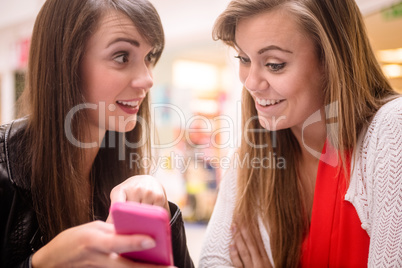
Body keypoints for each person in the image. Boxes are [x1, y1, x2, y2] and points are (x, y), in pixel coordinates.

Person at [199, 0, 402, 267]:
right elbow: (212, 261)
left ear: (331, 60)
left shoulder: (391, 128)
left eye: (274, 64)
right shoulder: (252, 160)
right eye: (244, 59)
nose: (251, 83)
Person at [0, 0, 194, 267]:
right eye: (122, 57)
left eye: (149, 57)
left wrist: (163, 215)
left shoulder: (119, 172)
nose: (148, 79)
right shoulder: (5, 170)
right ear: (65, 62)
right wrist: (43, 261)